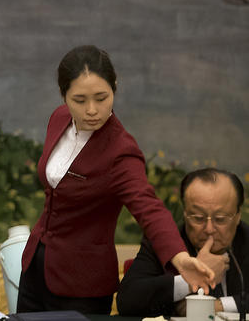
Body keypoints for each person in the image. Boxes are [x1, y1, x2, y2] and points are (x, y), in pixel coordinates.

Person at [16, 45, 214, 314]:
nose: (92, 110)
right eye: (79, 100)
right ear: (63, 95)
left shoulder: (120, 151)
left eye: (101, 97)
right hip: (35, 269)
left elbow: (149, 207)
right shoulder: (59, 118)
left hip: (81, 284)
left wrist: (179, 258)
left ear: (115, 87)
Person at [117, 168, 247, 317]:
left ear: (237, 216)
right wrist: (188, 280)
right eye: (198, 218)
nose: (209, 229)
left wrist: (217, 306)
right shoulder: (164, 243)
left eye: (221, 219)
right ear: (185, 214)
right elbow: (127, 300)